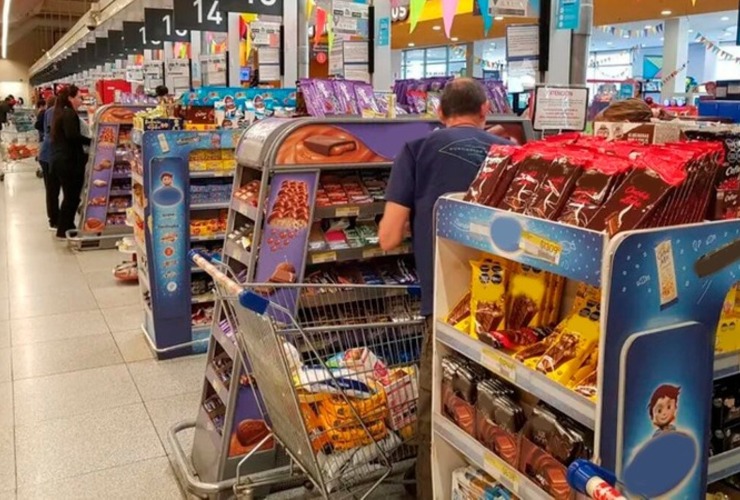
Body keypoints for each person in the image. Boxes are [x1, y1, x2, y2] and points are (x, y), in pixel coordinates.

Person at [378, 78, 511, 499]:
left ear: (439, 112)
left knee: (436, 402)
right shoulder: (506, 151)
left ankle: (427, 487)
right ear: (485, 110)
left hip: (445, 303)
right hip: (509, 306)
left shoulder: (416, 150)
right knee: (498, 407)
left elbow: (388, 238)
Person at [50, 85, 90, 239]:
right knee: (72, 196)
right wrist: (92, 141)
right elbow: (72, 136)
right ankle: (64, 228)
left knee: (70, 196)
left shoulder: (61, 112)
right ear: (70, 98)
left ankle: (67, 226)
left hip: (62, 160)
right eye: (79, 97)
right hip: (69, 162)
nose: (81, 100)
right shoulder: (69, 114)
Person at [38, 96, 60, 230]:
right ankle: (53, 220)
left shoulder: (50, 111)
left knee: (53, 189)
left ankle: (55, 217)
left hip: (49, 155)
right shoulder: (54, 111)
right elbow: (54, 133)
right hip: (49, 156)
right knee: (52, 190)